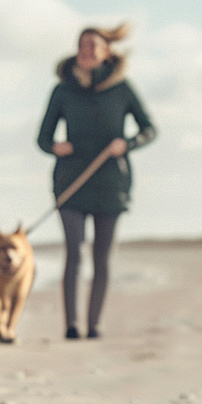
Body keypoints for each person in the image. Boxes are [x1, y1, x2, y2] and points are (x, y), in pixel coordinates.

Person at [37, 24, 156, 340]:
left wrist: (127, 144)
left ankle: (94, 325)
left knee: (102, 257)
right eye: (82, 44)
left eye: (93, 45)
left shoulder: (122, 88)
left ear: (106, 52)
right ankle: (72, 326)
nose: (87, 50)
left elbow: (149, 129)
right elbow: (42, 138)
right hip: (70, 181)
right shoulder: (62, 90)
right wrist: (54, 147)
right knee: (74, 253)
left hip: (110, 182)